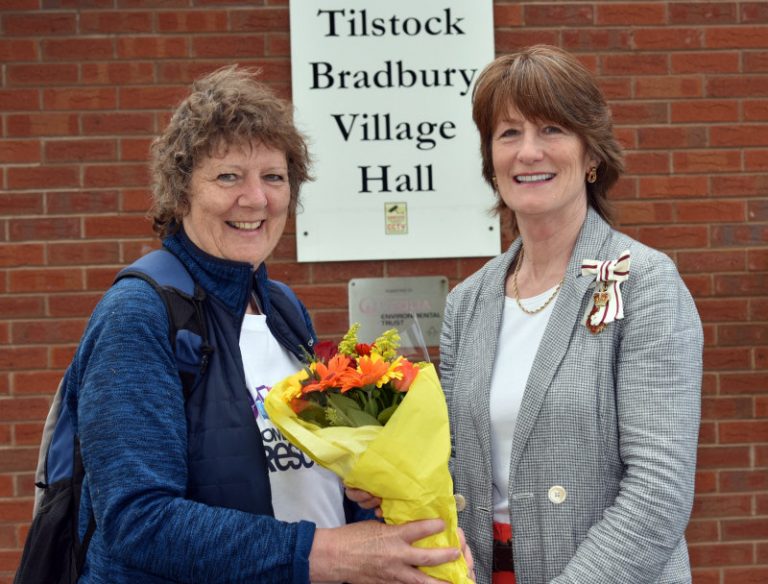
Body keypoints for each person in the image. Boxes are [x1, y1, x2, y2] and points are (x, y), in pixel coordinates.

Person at [68, 65, 461, 583]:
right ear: (182, 190)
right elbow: (137, 521)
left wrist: (376, 507)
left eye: (274, 177)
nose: (256, 199)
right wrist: (326, 553)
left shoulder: (282, 310)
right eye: (228, 176)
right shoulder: (139, 316)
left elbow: (303, 477)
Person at [438, 45, 703, 584]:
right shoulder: (466, 303)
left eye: (552, 130)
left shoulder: (644, 282)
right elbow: (445, 464)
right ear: (491, 160)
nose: (528, 152)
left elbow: (660, 489)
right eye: (508, 134)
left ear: (591, 156)